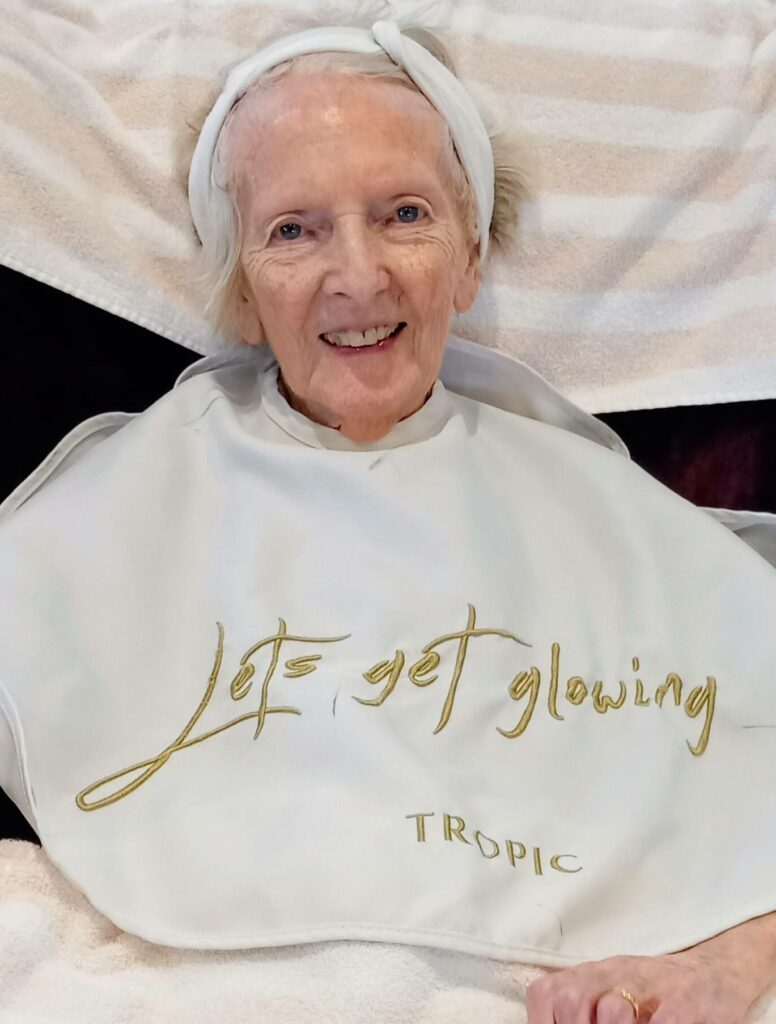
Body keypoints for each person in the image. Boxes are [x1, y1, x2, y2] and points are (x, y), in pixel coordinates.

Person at [1, 18, 776, 1024]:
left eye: (402, 214)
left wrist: (728, 962)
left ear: (468, 258)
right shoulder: (131, 498)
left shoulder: (596, 508)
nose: (357, 276)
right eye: (293, 230)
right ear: (240, 289)